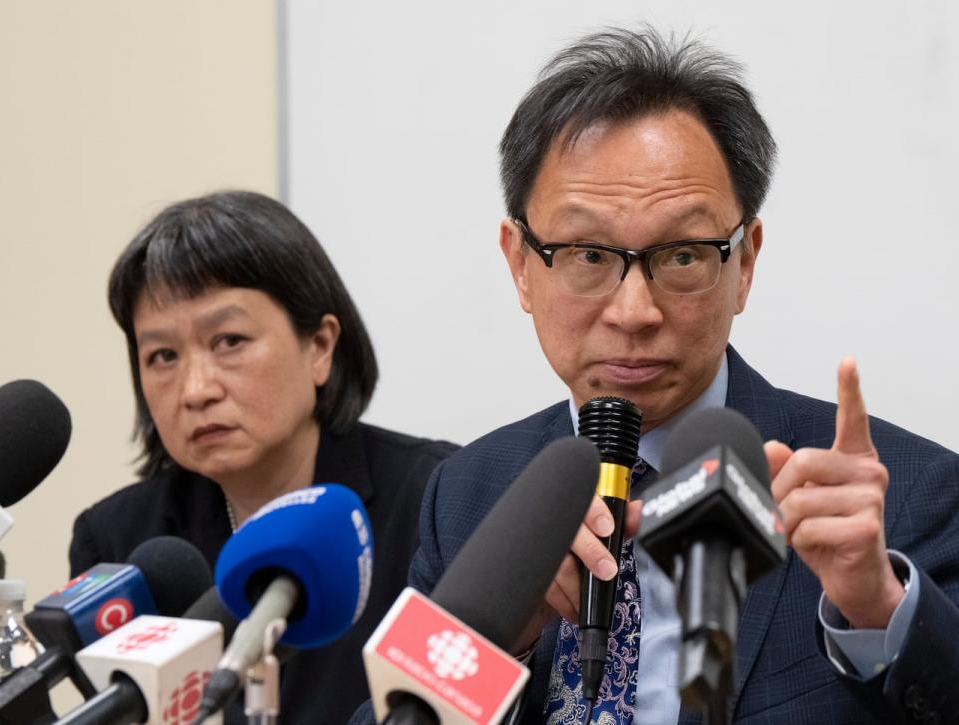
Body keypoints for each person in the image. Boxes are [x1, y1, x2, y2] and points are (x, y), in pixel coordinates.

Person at [354, 27, 959, 725]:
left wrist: (878, 606)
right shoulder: (470, 495)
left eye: (681, 255)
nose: (634, 312)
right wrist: (490, 643)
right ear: (520, 263)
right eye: (586, 254)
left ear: (745, 262)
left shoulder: (895, 499)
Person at [69, 190, 458, 724]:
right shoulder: (119, 543)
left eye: (229, 340)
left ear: (319, 347)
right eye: (162, 356)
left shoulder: (438, 502)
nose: (195, 389)